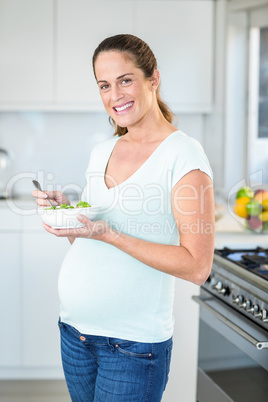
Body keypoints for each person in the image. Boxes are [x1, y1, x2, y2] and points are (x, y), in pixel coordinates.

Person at [32, 34, 215, 402]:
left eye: (125, 80)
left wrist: (111, 235)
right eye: (104, 85)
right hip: (75, 333)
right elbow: (92, 240)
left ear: (153, 79)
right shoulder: (103, 150)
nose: (115, 95)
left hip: (132, 345)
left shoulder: (183, 154)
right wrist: (70, 215)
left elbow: (198, 267)